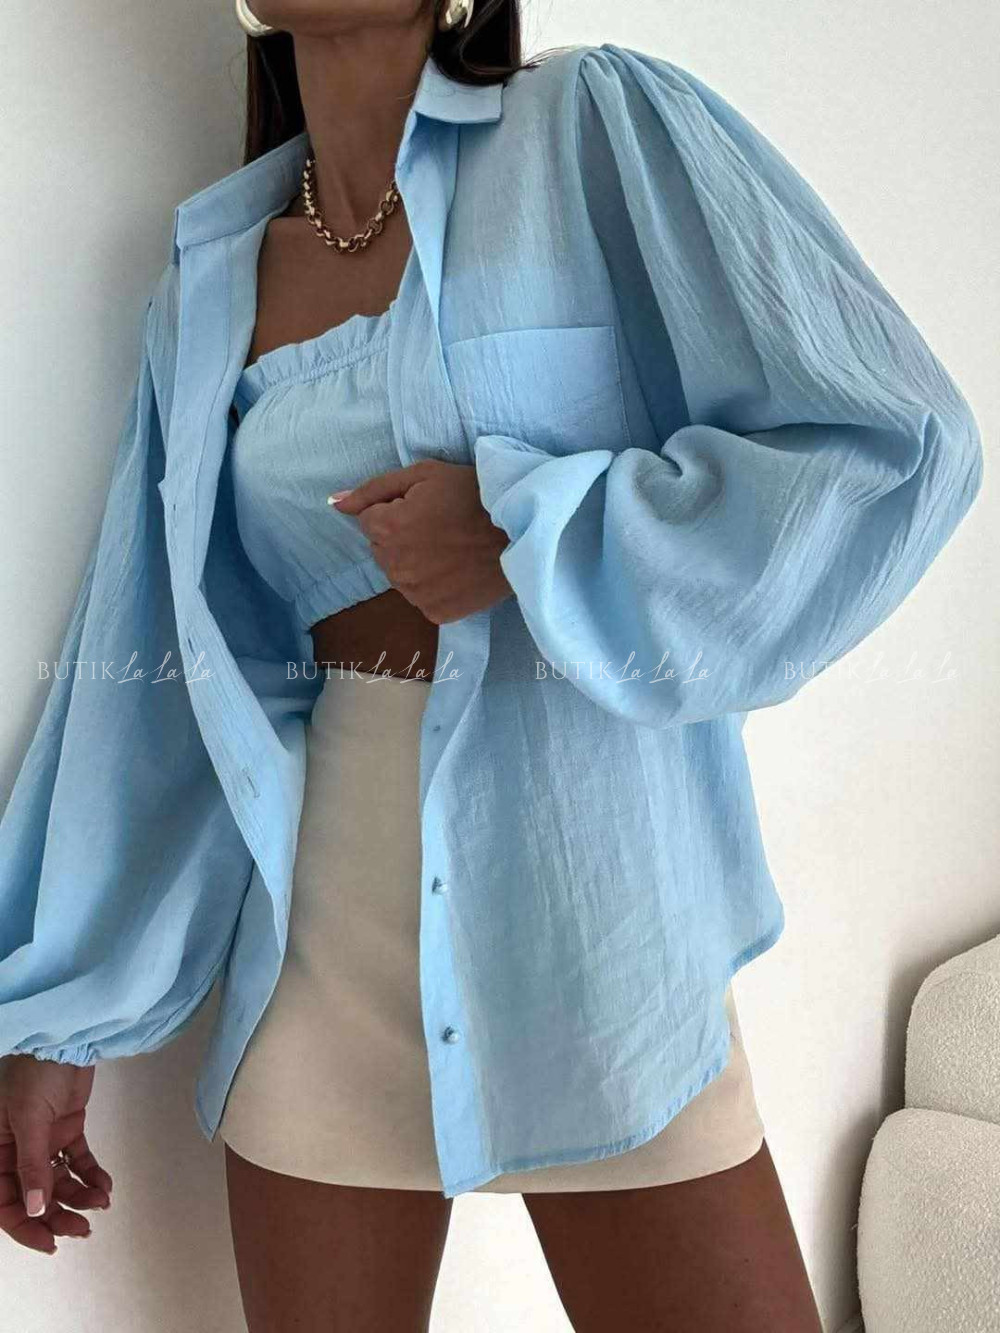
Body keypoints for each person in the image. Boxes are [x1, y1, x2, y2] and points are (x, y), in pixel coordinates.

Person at [0, 2, 982, 1329]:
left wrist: (533, 529)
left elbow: (889, 444)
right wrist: (58, 1017)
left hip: (597, 925)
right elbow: (159, 670)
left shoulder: (592, 130)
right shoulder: (213, 275)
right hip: (324, 960)